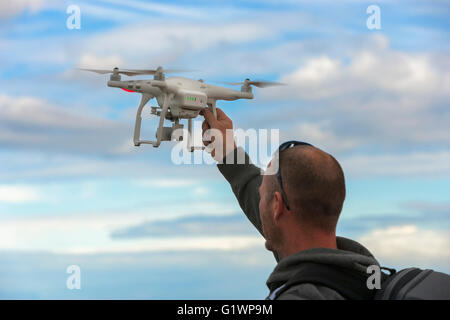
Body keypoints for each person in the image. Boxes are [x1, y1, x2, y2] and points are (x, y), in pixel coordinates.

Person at [200, 107, 382, 300]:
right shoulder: (364, 279)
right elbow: (276, 213)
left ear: (276, 206)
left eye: (262, 196)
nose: (259, 203)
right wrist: (227, 152)